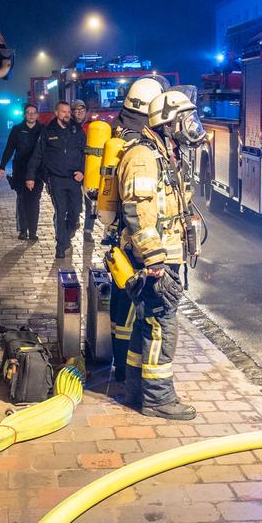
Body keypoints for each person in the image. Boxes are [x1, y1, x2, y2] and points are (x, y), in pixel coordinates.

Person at [117, 88, 204, 420]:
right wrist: (154, 259)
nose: (192, 126)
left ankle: (136, 390)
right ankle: (158, 399)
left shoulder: (165, 153)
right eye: (185, 120)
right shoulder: (143, 156)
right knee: (162, 326)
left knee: (147, 323)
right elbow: (138, 211)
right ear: (167, 123)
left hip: (164, 256)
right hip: (154, 260)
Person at [106, 76, 166, 384]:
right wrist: (153, 253)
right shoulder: (141, 148)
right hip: (136, 246)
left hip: (122, 239)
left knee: (121, 309)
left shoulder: (121, 132)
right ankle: (128, 375)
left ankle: (120, 369)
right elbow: (136, 205)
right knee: (134, 312)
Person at [26, 100, 85, 259]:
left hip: (74, 178)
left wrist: (82, 172)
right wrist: (30, 176)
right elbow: (38, 154)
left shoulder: (77, 130)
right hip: (55, 179)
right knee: (60, 211)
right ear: (57, 113)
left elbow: (84, 153)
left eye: (68, 112)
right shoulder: (47, 131)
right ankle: (61, 246)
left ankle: (68, 232)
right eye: (63, 111)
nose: (67, 114)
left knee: (75, 213)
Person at [0, 103, 43, 241]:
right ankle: (23, 230)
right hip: (20, 170)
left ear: (37, 115)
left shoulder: (42, 129)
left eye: (33, 112)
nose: (31, 114)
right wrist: (2, 166)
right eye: (28, 112)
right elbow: (9, 148)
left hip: (37, 171)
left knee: (34, 202)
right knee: (22, 200)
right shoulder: (17, 129)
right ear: (24, 115)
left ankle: (33, 231)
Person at [73, 100, 99, 241]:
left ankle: (88, 231)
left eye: (82, 110)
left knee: (91, 202)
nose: (79, 112)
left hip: (90, 169)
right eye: (76, 110)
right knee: (75, 201)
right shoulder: (70, 127)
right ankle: (74, 222)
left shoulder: (92, 127)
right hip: (75, 170)